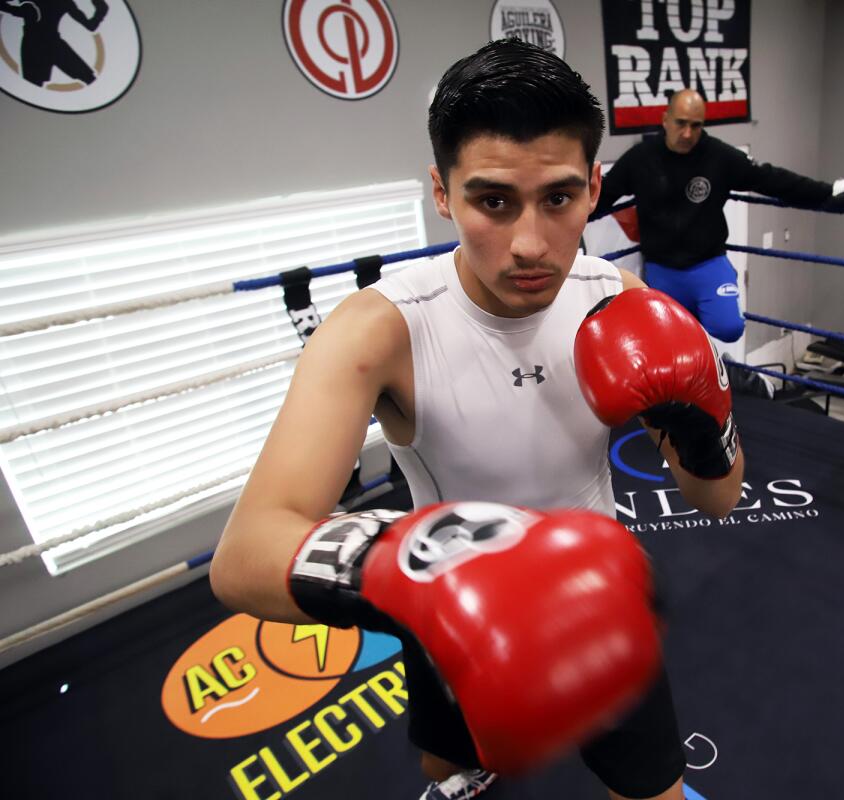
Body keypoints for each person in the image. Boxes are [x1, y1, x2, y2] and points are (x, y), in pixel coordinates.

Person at [210, 39, 744, 800]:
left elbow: (718, 498)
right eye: (493, 201)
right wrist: (417, 568)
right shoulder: (382, 328)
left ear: (594, 187)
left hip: (603, 606)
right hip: (451, 620)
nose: (529, 244)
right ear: (441, 190)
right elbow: (245, 556)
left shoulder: (621, 303)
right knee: (448, 768)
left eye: (559, 199)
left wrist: (700, 418)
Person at [593, 88, 844, 345]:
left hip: (708, 263)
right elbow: (602, 196)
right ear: (665, 119)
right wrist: (561, 215)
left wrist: (831, 193)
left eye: (696, 126)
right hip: (661, 269)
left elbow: (771, 179)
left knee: (729, 327)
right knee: (665, 341)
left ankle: (696, 326)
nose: (687, 134)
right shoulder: (641, 158)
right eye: (681, 123)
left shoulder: (719, 156)